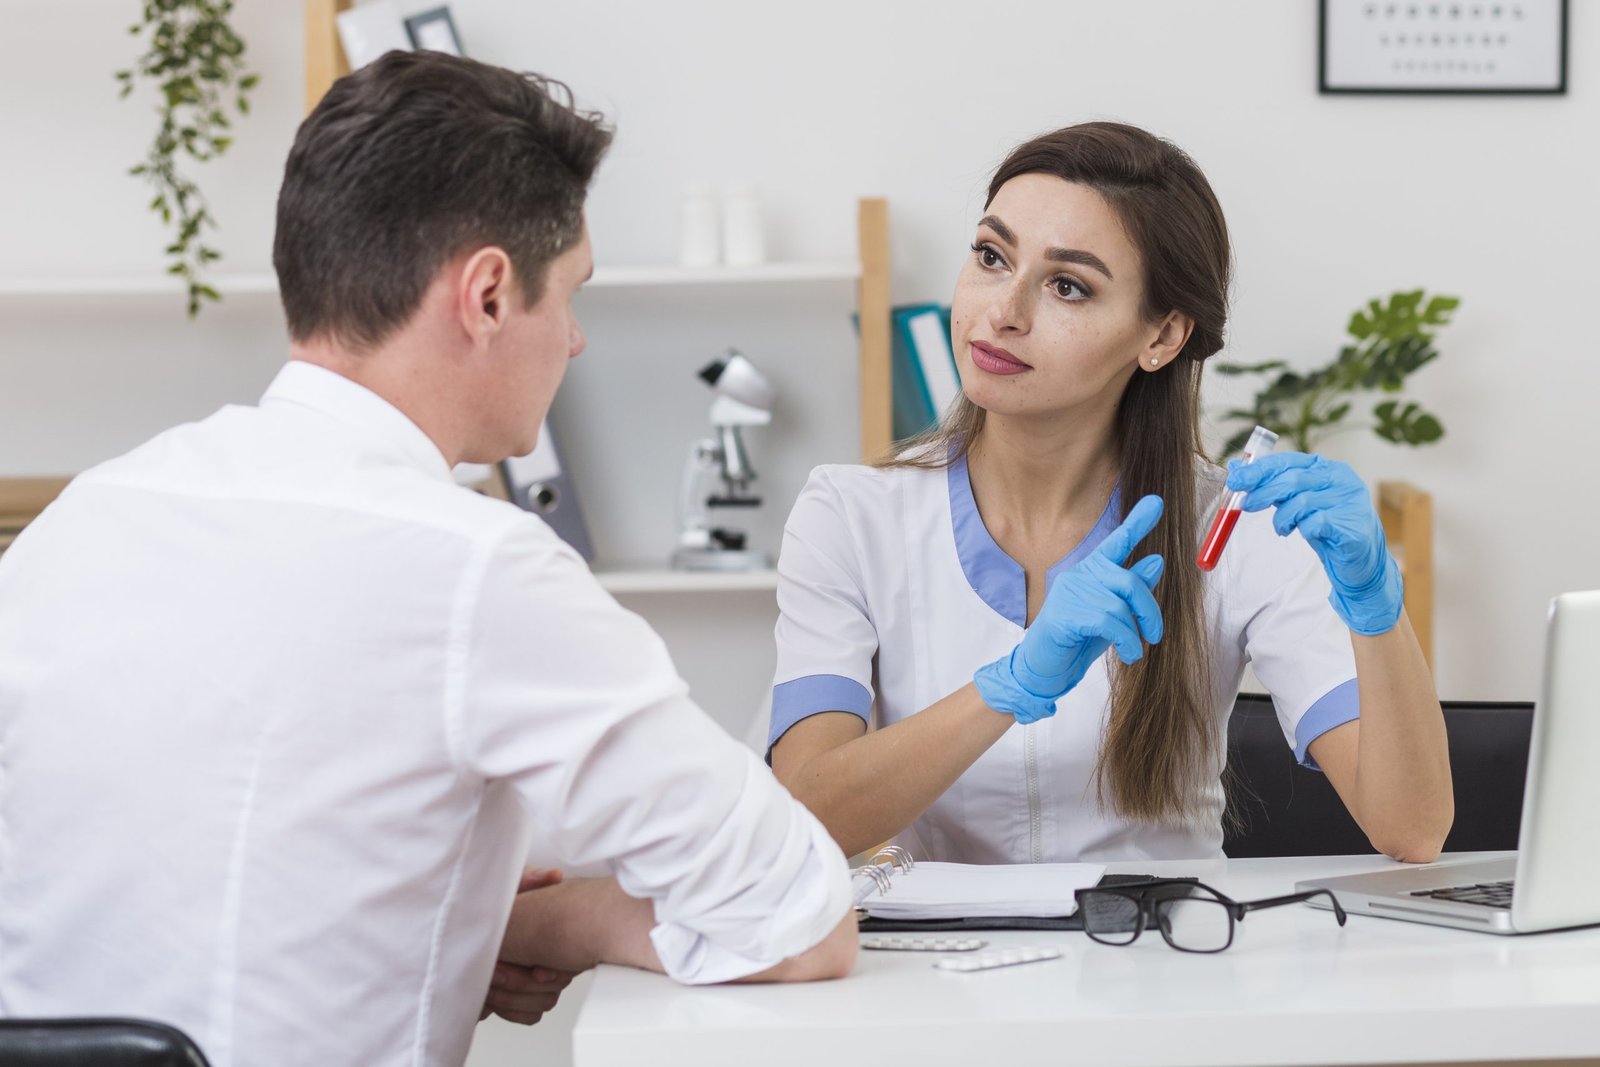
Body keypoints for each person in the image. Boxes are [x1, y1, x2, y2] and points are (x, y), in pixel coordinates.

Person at [0, 51, 855, 1065]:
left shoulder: (85, 515)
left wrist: (462, 909)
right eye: (569, 294)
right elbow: (795, 914)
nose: (574, 340)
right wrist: (553, 923)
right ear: (488, 294)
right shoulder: (476, 565)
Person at [768, 122, 1452, 866]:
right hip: (941, 967)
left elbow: (1410, 829)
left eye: (1068, 285)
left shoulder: (1235, 530)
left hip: (1169, 962)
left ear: (1160, 335)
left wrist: (1376, 606)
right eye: (992, 257)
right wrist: (1008, 688)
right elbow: (802, 812)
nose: (1004, 311)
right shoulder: (850, 515)